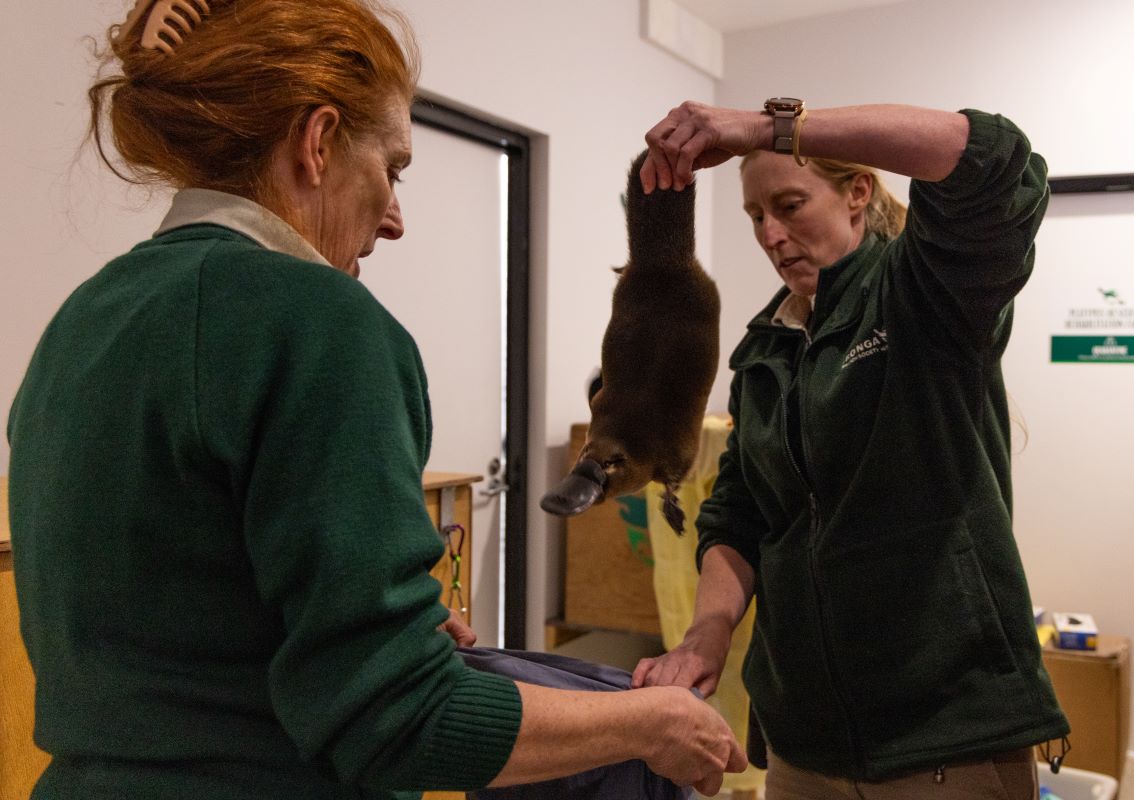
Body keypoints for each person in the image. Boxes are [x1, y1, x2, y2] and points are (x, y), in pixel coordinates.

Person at [5, 3, 746, 799]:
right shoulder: (321, 323)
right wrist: (652, 723)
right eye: (392, 170)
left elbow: (181, 608)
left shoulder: (83, 321)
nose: (395, 220)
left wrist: (376, 628)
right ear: (317, 142)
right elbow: (399, 719)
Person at [631, 99, 1069, 799]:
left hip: (944, 736)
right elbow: (741, 510)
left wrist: (767, 126)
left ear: (857, 192)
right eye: (754, 216)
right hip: (805, 743)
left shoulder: (923, 293)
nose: (772, 234)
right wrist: (706, 631)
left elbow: (988, 156)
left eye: (790, 204)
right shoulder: (764, 351)